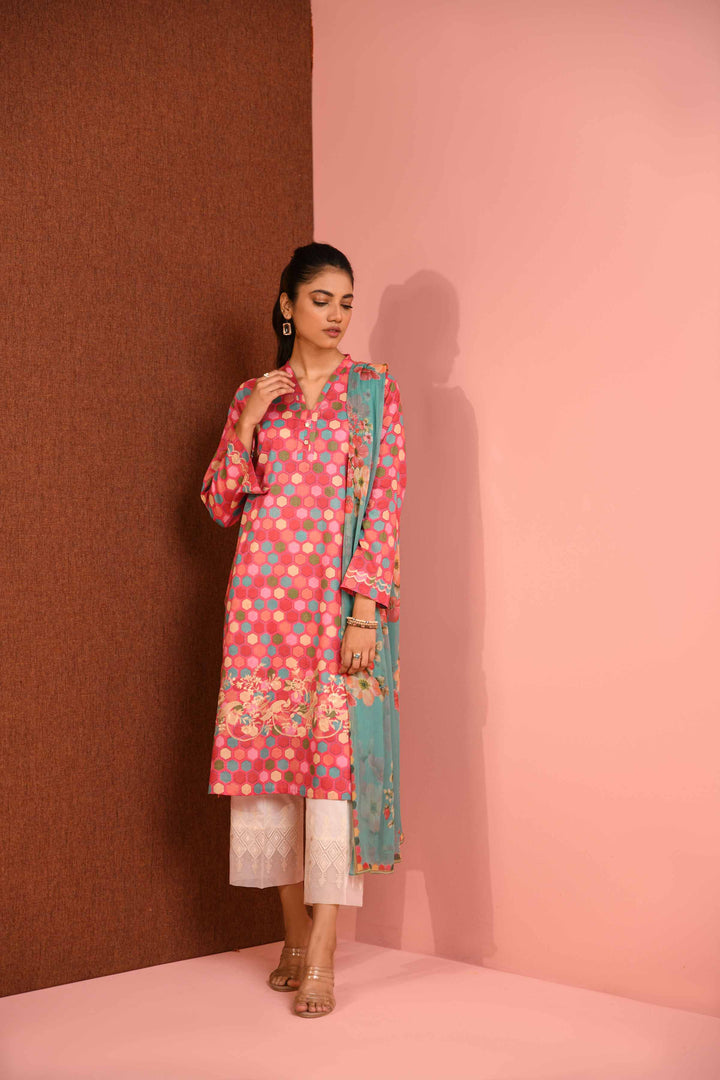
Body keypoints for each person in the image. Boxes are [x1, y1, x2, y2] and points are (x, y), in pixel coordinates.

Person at [201, 242, 407, 1017]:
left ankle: (322, 949)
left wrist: (365, 611)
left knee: (332, 778)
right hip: (261, 609)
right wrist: (248, 422)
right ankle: (292, 930)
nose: (337, 315)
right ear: (287, 305)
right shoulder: (253, 394)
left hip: (334, 611)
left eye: (347, 302)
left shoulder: (372, 391)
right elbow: (220, 503)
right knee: (269, 774)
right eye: (322, 300)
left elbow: (384, 503)